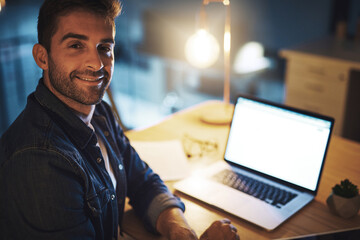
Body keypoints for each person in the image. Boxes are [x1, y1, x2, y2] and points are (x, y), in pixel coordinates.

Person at [0, 0, 240, 239]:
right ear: (42, 57)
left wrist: (177, 227)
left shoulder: (98, 113)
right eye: (76, 45)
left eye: (104, 47)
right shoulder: (41, 160)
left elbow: (141, 179)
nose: (96, 64)